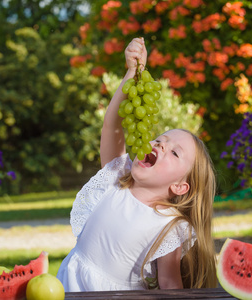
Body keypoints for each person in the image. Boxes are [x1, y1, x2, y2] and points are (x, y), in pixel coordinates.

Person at [57, 37, 217, 291]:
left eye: (175, 153)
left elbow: (169, 284)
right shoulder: (115, 178)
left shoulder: (170, 225)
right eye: (161, 139)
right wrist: (132, 73)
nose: (161, 145)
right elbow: (112, 126)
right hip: (67, 288)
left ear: (180, 187)